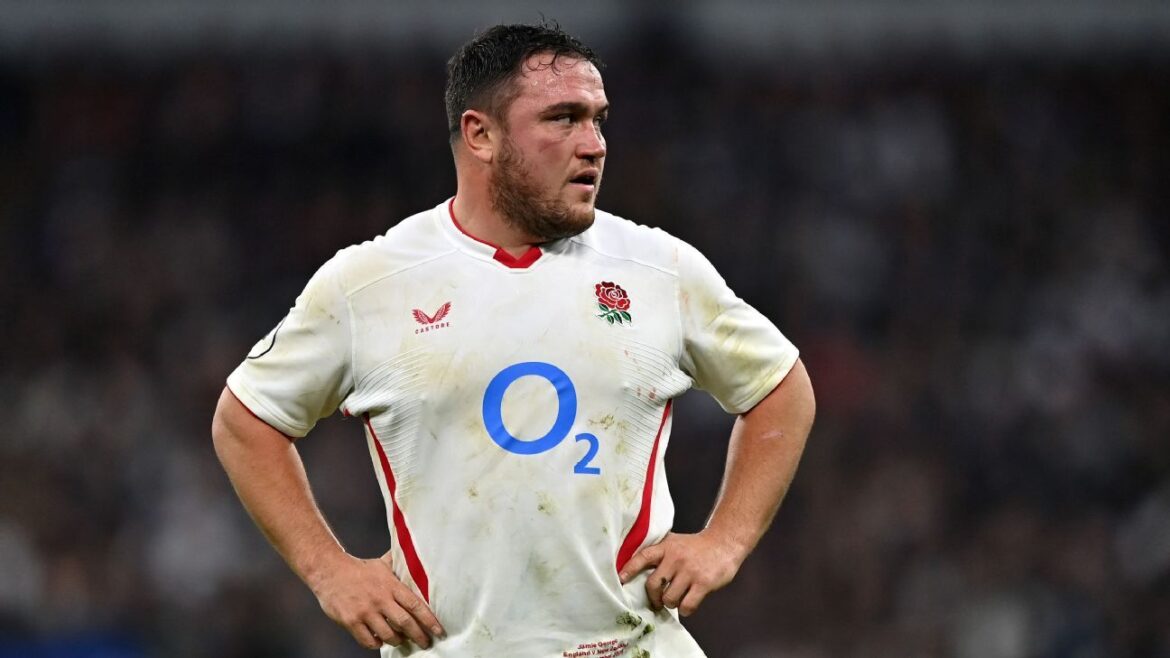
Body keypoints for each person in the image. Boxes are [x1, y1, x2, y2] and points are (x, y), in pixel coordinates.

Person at [212, 22, 815, 658]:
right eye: (563, 118)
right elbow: (246, 421)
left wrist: (724, 542)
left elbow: (780, 386)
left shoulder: (658, 268)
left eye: (598, 120)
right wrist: (328, 571)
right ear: (481, 134)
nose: (594, 144)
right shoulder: (368, 284)